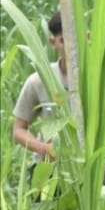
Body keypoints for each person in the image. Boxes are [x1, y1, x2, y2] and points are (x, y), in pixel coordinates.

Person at [12, 12, 68, 160]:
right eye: (63, 40)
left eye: (76, 39)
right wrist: (43, 148)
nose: (71, 46)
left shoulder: (100, 79)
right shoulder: (40, 80)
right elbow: (18, 130)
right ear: (53, 42)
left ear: (87, 38)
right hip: (48, 170)